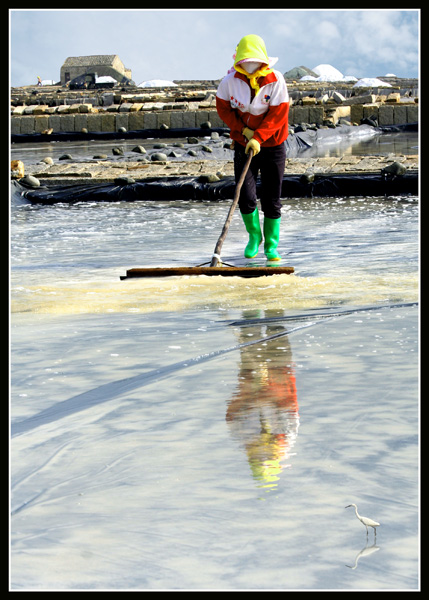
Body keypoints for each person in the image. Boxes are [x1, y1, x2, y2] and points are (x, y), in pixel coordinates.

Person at [216, 34, 290, 261]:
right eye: (244, 62)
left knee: (271, 197)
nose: (249, 66)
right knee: (246, 195)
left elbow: (278, 114)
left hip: (273, 144)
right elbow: (224, 110)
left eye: (254, 61)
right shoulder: (229, 82)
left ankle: (271, 245)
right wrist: (243, 132)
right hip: (243, 144)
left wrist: (259, 137)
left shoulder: (276, 80)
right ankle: (254, 237)